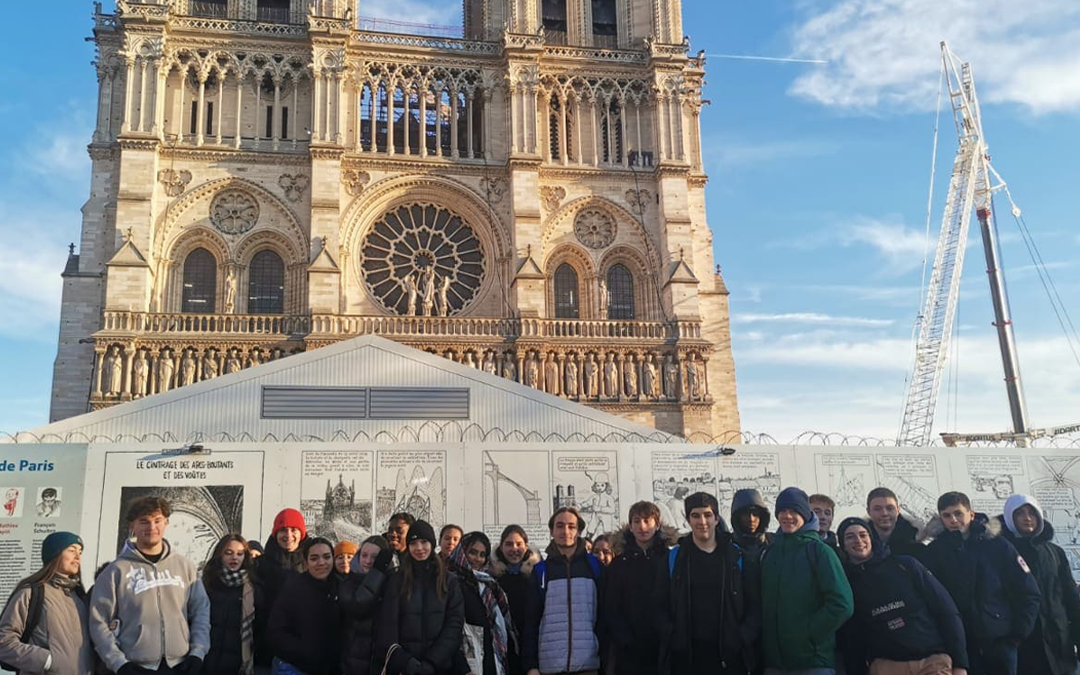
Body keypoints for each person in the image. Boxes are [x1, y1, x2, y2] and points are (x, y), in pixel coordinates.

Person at [920, 492, 1040, 675]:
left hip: (1000, 642)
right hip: (960, 646)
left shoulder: (998, 545)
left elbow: (1027, 590)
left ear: (971, 514)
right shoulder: (934, 553)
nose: (953, 520)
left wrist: (1017, 635)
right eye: (947, 515)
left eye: (958, 513)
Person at [90, 496, 210, 675]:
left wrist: (197, 652)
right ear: (132, 526)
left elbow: (201, 611)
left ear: (166, 522)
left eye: (157, 520)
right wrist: (119, 663)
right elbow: (98, 622)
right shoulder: (115, 571)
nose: (152, 527)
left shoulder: (185, 567)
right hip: (134, 667)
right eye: (144, 522)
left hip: (181, 666)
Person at [836, 517, 967, 675]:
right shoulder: (846, 582)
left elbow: (947, 611)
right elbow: (852, 637)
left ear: (872, 538)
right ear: (843, 544)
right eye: (850, 537)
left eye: (863, 535)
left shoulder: (905, 565)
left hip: (931, 661)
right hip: (887, 666)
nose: (858, 540)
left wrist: (960, 663)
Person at [761, 487, 853, 675]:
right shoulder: (770, 553)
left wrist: (808, 634)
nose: (787, 516)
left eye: (794, 511)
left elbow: (842, 604)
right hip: (775, 663)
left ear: (805, 514)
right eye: (782, 511)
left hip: (813, 662)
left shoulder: (819, 551)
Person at [655, 492, 745, 675]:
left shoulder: (736, 556)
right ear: (688, 520)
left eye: (707, 515)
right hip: (687, 657)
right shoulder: (674, 558)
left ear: (717, 519)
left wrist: (740, 636)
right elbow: (658, 604)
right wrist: (673, 636)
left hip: (729, 657)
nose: (702, 521)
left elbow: (753, 602)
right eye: (695, 515)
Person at [998, 494, 1080, 675]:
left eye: (1032, 513)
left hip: (1059, 641)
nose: (1027, 518)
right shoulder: (1002, 552)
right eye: (1020, 514)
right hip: (1024, 644)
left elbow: (1071, 597)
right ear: (1010, 517)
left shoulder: (1054, 553)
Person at [376, 520, 465, 675]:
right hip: (405, 668)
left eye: (424, 542)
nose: (419, 548)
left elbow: (454, 624)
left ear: (432, 543)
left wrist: (432, 662)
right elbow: (388, 624)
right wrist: (406, 662)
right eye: (413, 543)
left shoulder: (448, 580)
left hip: (440, 667)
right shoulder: (398, 579)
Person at [0, 531, 94, 675]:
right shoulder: (31, 592)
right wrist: (48, 661)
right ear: (55, 555)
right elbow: (4, 642)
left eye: (80, 551)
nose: (78, 557)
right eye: (71, 550)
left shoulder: (81, 598)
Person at [523, 507, 603, 675]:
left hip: (588, 666)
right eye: (559, 526)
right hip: (550, 667)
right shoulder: (540, 571)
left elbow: (604, 618)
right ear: (552, 531)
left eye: (571, 526)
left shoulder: (594, 567)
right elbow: (531, 622)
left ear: (579, 531)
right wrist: (531, 665)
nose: (565, 531)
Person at [604, 501, 676, 675]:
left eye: (647, 520)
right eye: (636, 521)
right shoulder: (619, 563)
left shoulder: (669, 558)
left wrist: (669, 633)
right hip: (629, 650)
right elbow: (611, 606)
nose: (642, 527)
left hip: (665, 646)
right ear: (630, 526)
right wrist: (624, 639)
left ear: (657, 524)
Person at [267, 537, 341, 675]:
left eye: (326, 557)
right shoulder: (293, 587)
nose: (321, 563)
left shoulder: (340, 586)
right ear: (306, 562)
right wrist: (305, 651)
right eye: (314, 558)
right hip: (293, 667)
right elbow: (275, 631)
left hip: (329, 668)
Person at [448, 531, 514, 675]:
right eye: (472, 552)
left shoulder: (488, 585)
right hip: (464, 664)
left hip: (489, 660)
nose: (477, 559)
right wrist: (463, 668)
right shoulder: (449, 582)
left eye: (482, 554)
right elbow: (447, 630)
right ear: (462, 551)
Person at [255, 509, 309, 672]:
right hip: (266, 647)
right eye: (283, 530)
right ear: (275, 533)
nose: (288, 535)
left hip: (303, 648)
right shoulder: (260, 564)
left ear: (302, 533)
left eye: (294, 530)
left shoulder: (312, 561)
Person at [729, 488, 774, 675]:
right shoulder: (727, 548)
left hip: (773, 633)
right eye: (745, 513)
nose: (751, 519)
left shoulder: (775, 544)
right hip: (740, 634)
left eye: (756, 513)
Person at [201, 534, 260, 675]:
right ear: (219, 555)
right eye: (229, 553)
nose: (235, 558)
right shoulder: (207, 583)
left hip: (237, 665)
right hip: (206, 661)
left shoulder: (253, 588)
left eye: (240, 554)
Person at [340, 535, 394, 675]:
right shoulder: (348, 583)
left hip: (382, 662)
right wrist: (377, 572)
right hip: (353, 663)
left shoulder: (392, 583)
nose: (368, 561)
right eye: (364, 555)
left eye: (375, 557)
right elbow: (358, 606)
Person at [490, 526, 541, 675]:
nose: (514, 549)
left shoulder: (536, 574)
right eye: (509, 544)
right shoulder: (492, 576)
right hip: (503, 646)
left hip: (531, 644)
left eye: (519, 544)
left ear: (526, 545)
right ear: (501, 546)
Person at [866, 488, 925, 560]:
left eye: (890, 508)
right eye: (877, 509)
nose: (884, 513)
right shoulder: (859, 546)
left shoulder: (917, 547)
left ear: (898, 510)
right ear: (868, 511)